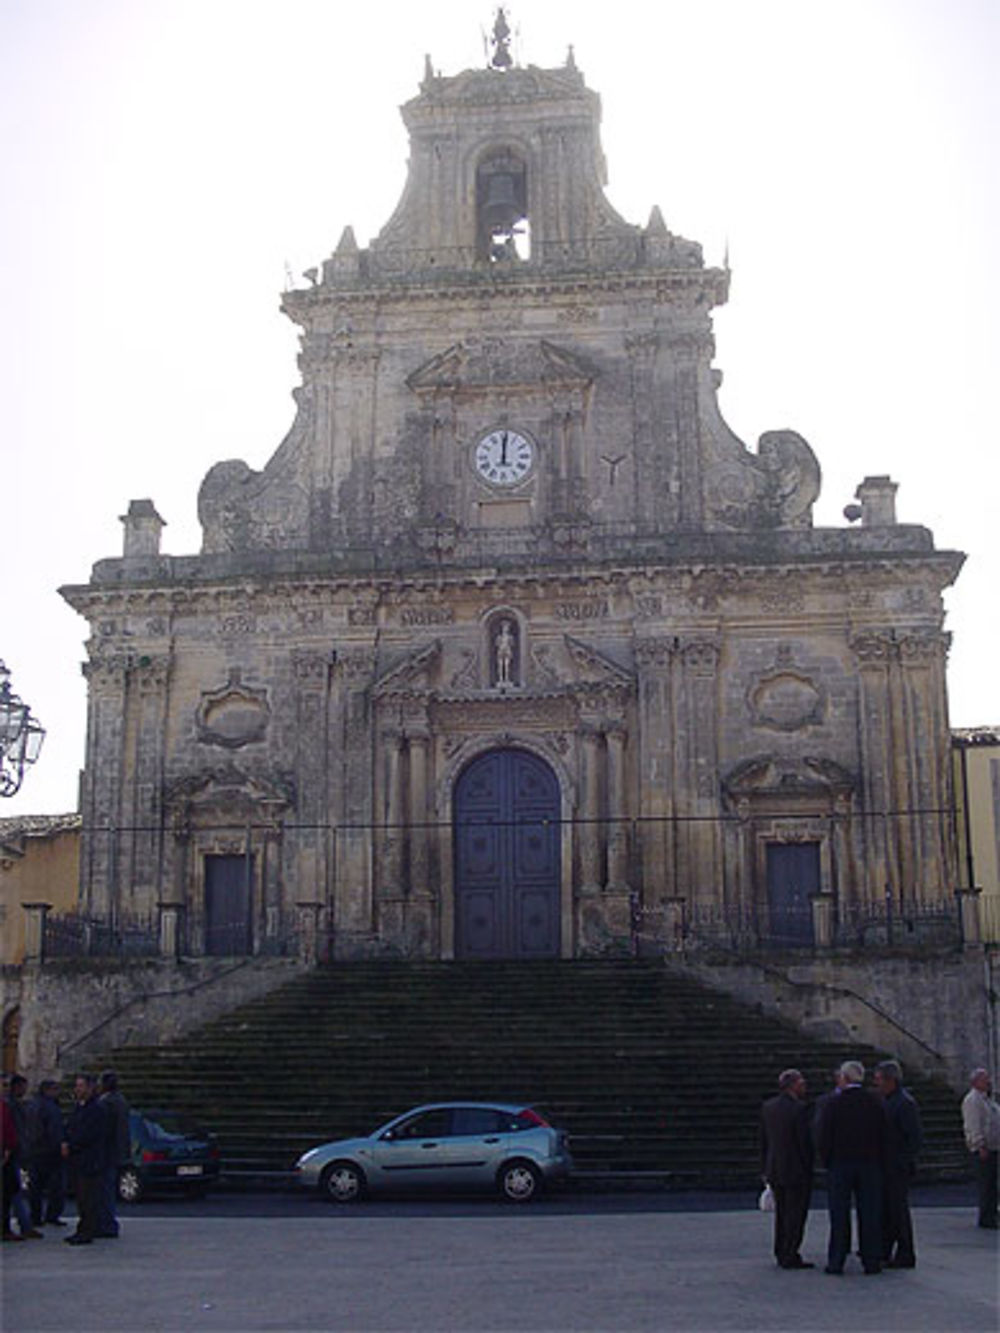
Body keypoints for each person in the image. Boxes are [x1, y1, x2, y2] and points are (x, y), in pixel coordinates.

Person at [815, 1059, 888, 1275]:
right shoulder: (875, 1102)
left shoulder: (833, 1103)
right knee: (870, 1213)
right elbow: (884, 1134)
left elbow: (823, 1135)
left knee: (839, 1214)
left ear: (844, 1078)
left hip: (841, 1163)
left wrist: (827, 1160)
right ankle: (871, 1259)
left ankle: (837, 1259)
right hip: (870, 1164)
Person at [760, 1068, 814, 1268]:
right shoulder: (800, 1109)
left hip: (775, 1167)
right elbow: (804, 1142)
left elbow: (764, 1141)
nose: (804, 1086)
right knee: (795, 1214)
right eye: (801, 1083)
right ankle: (791, 1252)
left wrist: (765, 1167)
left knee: (782, 1214)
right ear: (792, 1085)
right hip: (796, 1169)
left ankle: (781, 1249)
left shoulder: (768, 1107)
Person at [874, 1060, 922, 1267]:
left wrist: (902, 1160)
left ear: (890, 1080)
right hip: (887, 1164)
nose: (877, 1085)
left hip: (896, 1165)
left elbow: (914, 1137)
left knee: (898, 1211)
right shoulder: (890, 1100)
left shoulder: (903, 1103)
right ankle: (885, 1249)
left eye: (879, 1080)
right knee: (888, 1210)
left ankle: (904, 1253)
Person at [62, 1073, 107, 1245]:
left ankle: (87, 1231)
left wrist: (71, 1146)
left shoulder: (96, 1109)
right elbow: (71, 1127)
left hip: (89, 1160)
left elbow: (89, 1134)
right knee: (81, 1198)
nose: (77, 1089)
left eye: (81, 1086)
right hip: (78, 1160)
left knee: (88, 1198)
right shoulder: (79, 1108)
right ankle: (83, 1229)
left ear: (90, 1088)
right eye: (77, 1086)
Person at [4, 1075, 43, 1240]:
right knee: (13, 1191)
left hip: (13, 1151)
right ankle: (24, 1225)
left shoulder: (15, 1105)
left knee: (14, 1191)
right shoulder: (10, 1106)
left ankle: (24, 1224)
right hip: (10, 1152)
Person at [961, 1067, 1000, 1229]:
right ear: (976, 1082)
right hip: (984, 1148)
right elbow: (974, 1124)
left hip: (993, 1146)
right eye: (985, 1079)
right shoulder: (973, 1100)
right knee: (986, 1183)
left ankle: (992, 1212)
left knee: (992, 1183)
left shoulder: (986, 1099)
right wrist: (980, 1144)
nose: (989, 1082)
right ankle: (987, 1216)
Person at [27, 1080, 67, 1227]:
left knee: (35, 1188)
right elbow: (55, 1130)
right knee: (56, 1186)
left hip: (34, 1150)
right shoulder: (51, 1107)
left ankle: (35, 1216)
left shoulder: (32, 1105)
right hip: (50, 1151)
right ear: (48, 1090)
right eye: (56, 1089)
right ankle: (52, 1215)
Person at [97, 1070, 129, 1238]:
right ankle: (107, 1222)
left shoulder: (107, 1103)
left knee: (104, 1190)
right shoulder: (121, 1101)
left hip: (105, 1151)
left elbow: (102, 1128)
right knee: (107, 1189)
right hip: (115, 1150)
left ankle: (106, 1224)